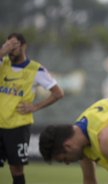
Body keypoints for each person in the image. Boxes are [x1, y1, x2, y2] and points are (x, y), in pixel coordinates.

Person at [0, 33, 64, 184]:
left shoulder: (36, 70)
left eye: (13, 45)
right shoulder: (3, 62)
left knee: (16, 170)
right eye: (7, 45)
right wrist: (2, 51)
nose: (10, 49)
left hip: (17, 126)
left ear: (23, 46)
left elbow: (58, 93)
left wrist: (35, 107)